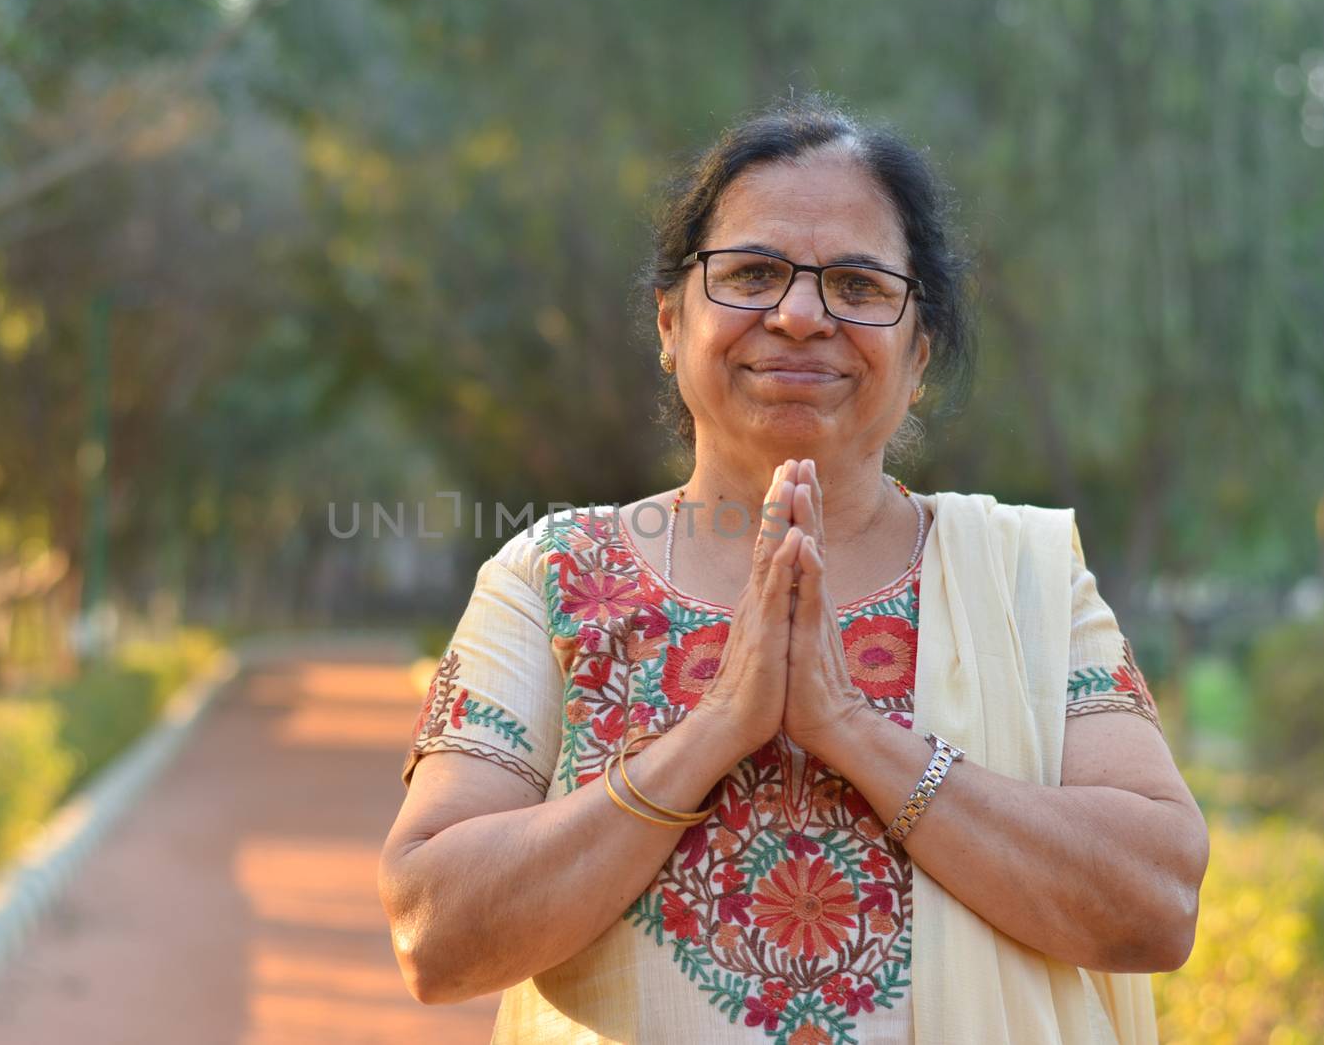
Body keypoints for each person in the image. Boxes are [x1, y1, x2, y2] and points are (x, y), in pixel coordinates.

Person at [378, 94, 1207, 1044]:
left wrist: (852, 730)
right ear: (668, 324)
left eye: (858, 286)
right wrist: (717, 729)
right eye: (753, 272)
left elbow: (1157, 901)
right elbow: (433, 933)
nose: (801, 314)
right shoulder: (553, 576)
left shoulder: (1026, 579)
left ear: (919, 349)